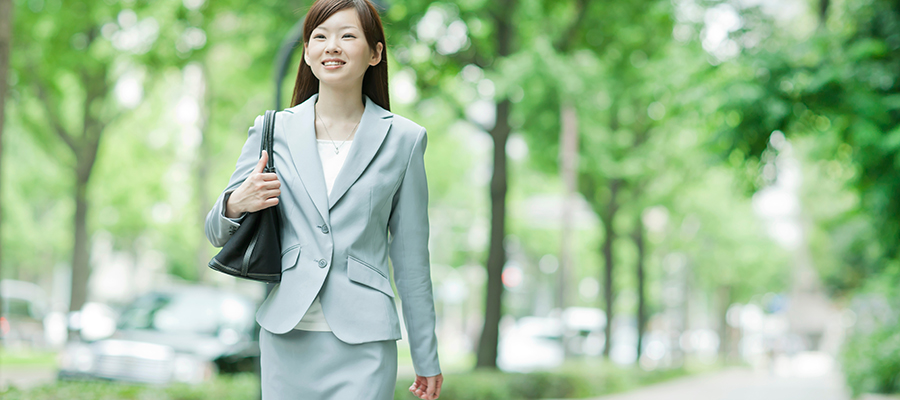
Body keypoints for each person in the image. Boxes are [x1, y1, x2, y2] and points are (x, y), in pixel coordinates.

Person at [204, 0, 442, 398]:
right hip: (286, 336)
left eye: (348, 36)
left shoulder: (405, 140)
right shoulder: (273, 129)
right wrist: (236, 202)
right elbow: (214, 232)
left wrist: (426, 357)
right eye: (320, 37)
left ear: (375, 53)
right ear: (308, 54)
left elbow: (412, 260)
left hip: (365, 342)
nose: (332, 46)